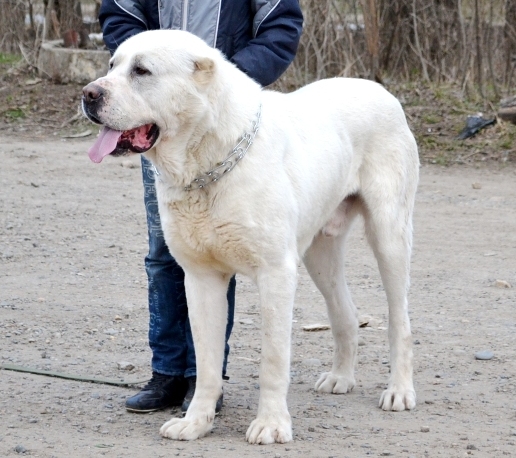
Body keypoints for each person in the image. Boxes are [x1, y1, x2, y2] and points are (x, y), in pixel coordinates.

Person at [98, 0, 303, 414]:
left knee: (226, 256)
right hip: (160, 121)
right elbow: (119, 14)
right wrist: (140, 73)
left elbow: (280, 28)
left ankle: (204, 382)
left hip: (230, 122)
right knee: (165, 255)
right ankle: (168, 373)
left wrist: (222, 81)